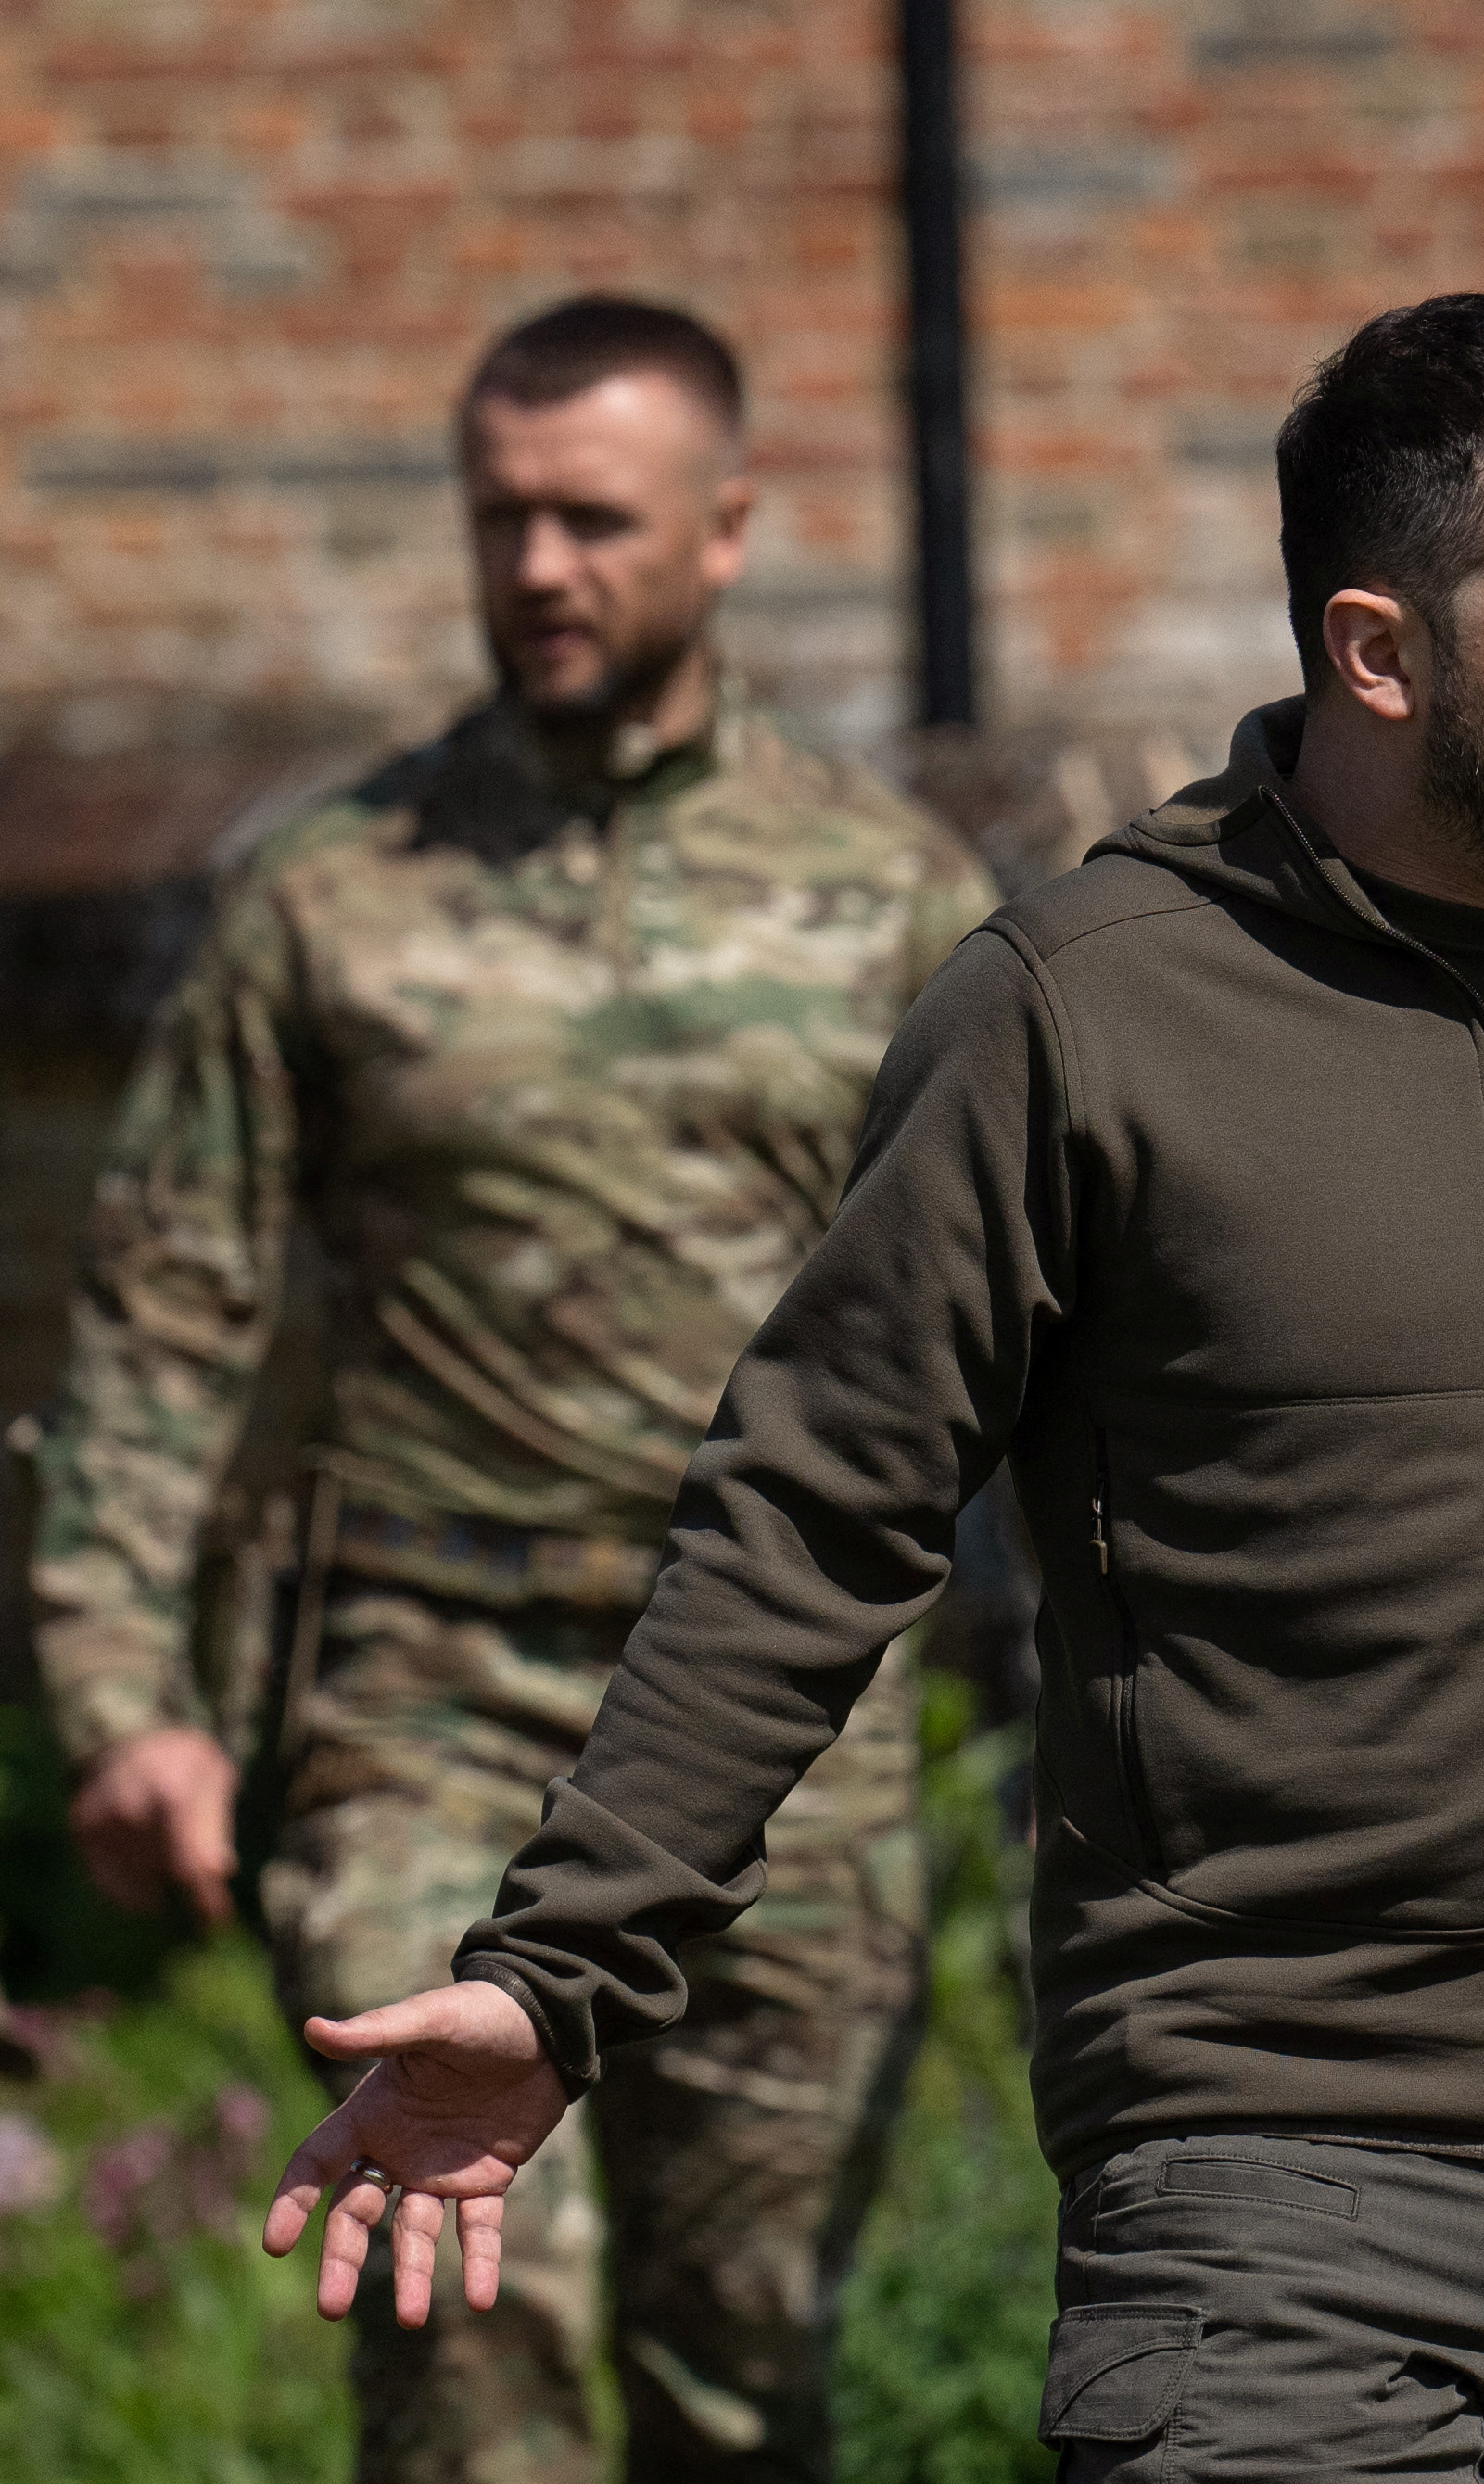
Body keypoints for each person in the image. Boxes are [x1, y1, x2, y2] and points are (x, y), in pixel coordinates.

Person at [259, 293, 1484, 2482]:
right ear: (1379, 650)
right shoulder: (1080, 1009)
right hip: (1264, 2194)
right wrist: (560, 1969)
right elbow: (809, 1516)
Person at [25, 296, 998, 2481]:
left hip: (785, 1723)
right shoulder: (329, 899)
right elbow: (167, 1307)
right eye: (500, 518)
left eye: (594, 519)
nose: (539, 565)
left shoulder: (895, 900)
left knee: (744, 2366)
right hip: (428, 1695)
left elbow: (1009, 1318)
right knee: (465, 2328)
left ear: (726, 528)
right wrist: (122, 1687)